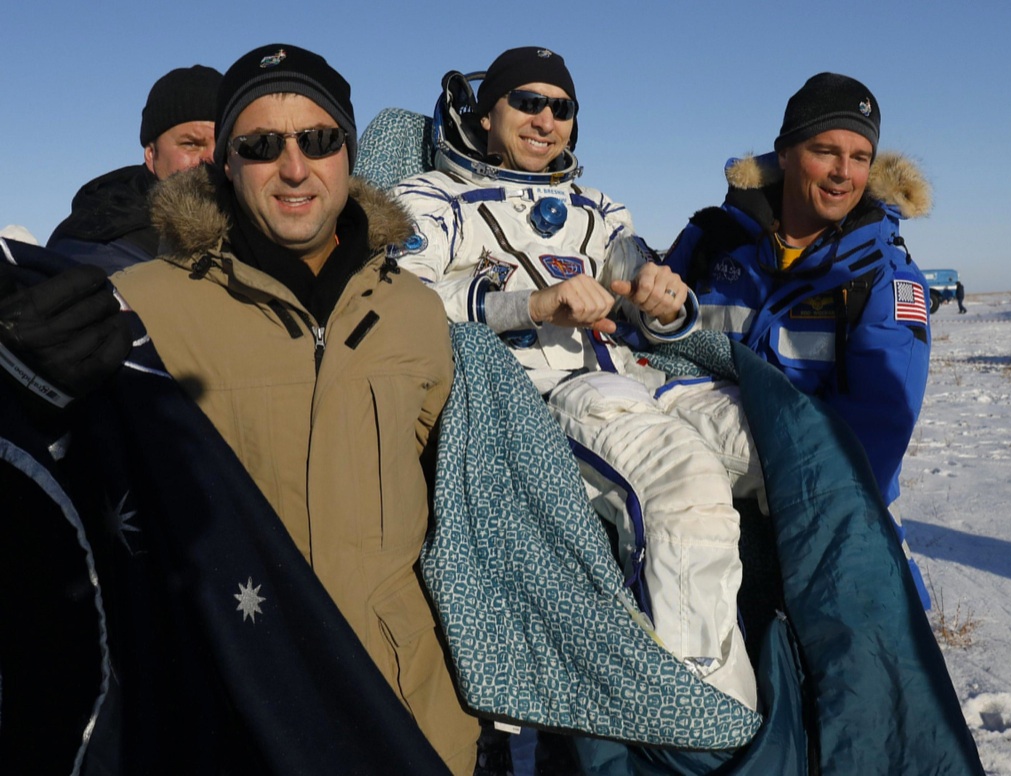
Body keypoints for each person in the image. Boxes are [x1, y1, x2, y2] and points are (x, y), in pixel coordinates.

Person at [3, 44, 478, 773]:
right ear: (226, 163)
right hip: (238, 713)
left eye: (319, 140)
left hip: (403, 711)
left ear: (349, 154)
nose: (295, 168)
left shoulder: (416, 310)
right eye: (261, 146)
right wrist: (33, 393)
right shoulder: (141, 309)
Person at [392, 47, 761, 716]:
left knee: (783, 447)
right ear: (485, 113)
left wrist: (665, 300)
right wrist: (533, 306)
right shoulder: (432, 199)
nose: (546, 119)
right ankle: (695, 714)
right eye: (527, 102)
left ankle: (797, 649)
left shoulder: (599, 209)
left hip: (634, 376)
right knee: (685, 486)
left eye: (561, 107)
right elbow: (399, 301)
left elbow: (648, 310)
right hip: (538, 391)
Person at [662, 72, 933, 606]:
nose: (842, 173)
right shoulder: (709, 243)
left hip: (832, 510)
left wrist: (799, 525)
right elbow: (647, 344)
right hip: (695, 504)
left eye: (860, 158)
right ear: (784, 153)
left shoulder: (883, 277)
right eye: (824, 151)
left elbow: (876, 431)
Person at [47, 65, 223, 272]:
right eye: (191, 144)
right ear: (151, 154)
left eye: (222, 145)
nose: (212, 158)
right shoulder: (104, 245)